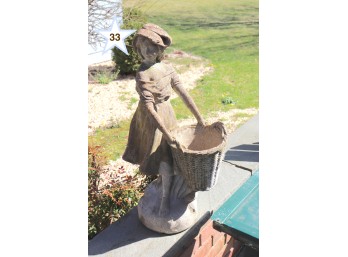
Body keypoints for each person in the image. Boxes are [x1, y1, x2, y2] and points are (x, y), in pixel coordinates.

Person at [122, 23, 205, 216]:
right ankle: (164, 199)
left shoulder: (167, 69)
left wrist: (200, 118)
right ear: (138, 49)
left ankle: (168, 194)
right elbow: (150, 108)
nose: (150, 51)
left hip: (166, 113)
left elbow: (183, 93)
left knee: (169, 155)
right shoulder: (143, 74)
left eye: (154, 46)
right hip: (150, 120)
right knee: (160, 155)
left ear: (161, 49)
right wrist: (166, 133)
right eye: (145, 46)